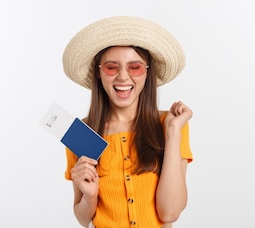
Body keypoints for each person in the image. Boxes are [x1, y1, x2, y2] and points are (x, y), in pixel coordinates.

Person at [61, 16, 194, 228]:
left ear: (147, 72)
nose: (123, 77)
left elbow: (169, 213)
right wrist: (89, 195)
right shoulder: (82, 132)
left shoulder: (170, 124)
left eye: (135, 67)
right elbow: (83, 218)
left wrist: (173, 131)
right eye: (112, 67)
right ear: (98, 72)